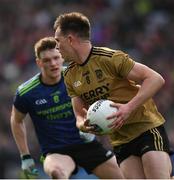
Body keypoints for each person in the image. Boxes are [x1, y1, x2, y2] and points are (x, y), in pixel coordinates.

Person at [54, 12, 172, 179]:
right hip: (120, 141)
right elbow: (79, 113)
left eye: (58, 41)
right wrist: (83, 124)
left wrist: (128, 108)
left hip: (146, 128)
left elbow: (155, 79)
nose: (57, 47)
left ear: (71, 39)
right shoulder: (69, 75)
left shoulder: (109, 58)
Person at [10, 37, 124, 179]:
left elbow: (97, 102)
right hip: (56, 152)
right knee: (58, 173)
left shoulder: (78, 76)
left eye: (56, 58)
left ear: (62, 58)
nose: (53, 63)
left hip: (87, 144)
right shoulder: (26, 92)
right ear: (39, 63)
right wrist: (25, 156)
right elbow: (16, 120)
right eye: (47, 60)